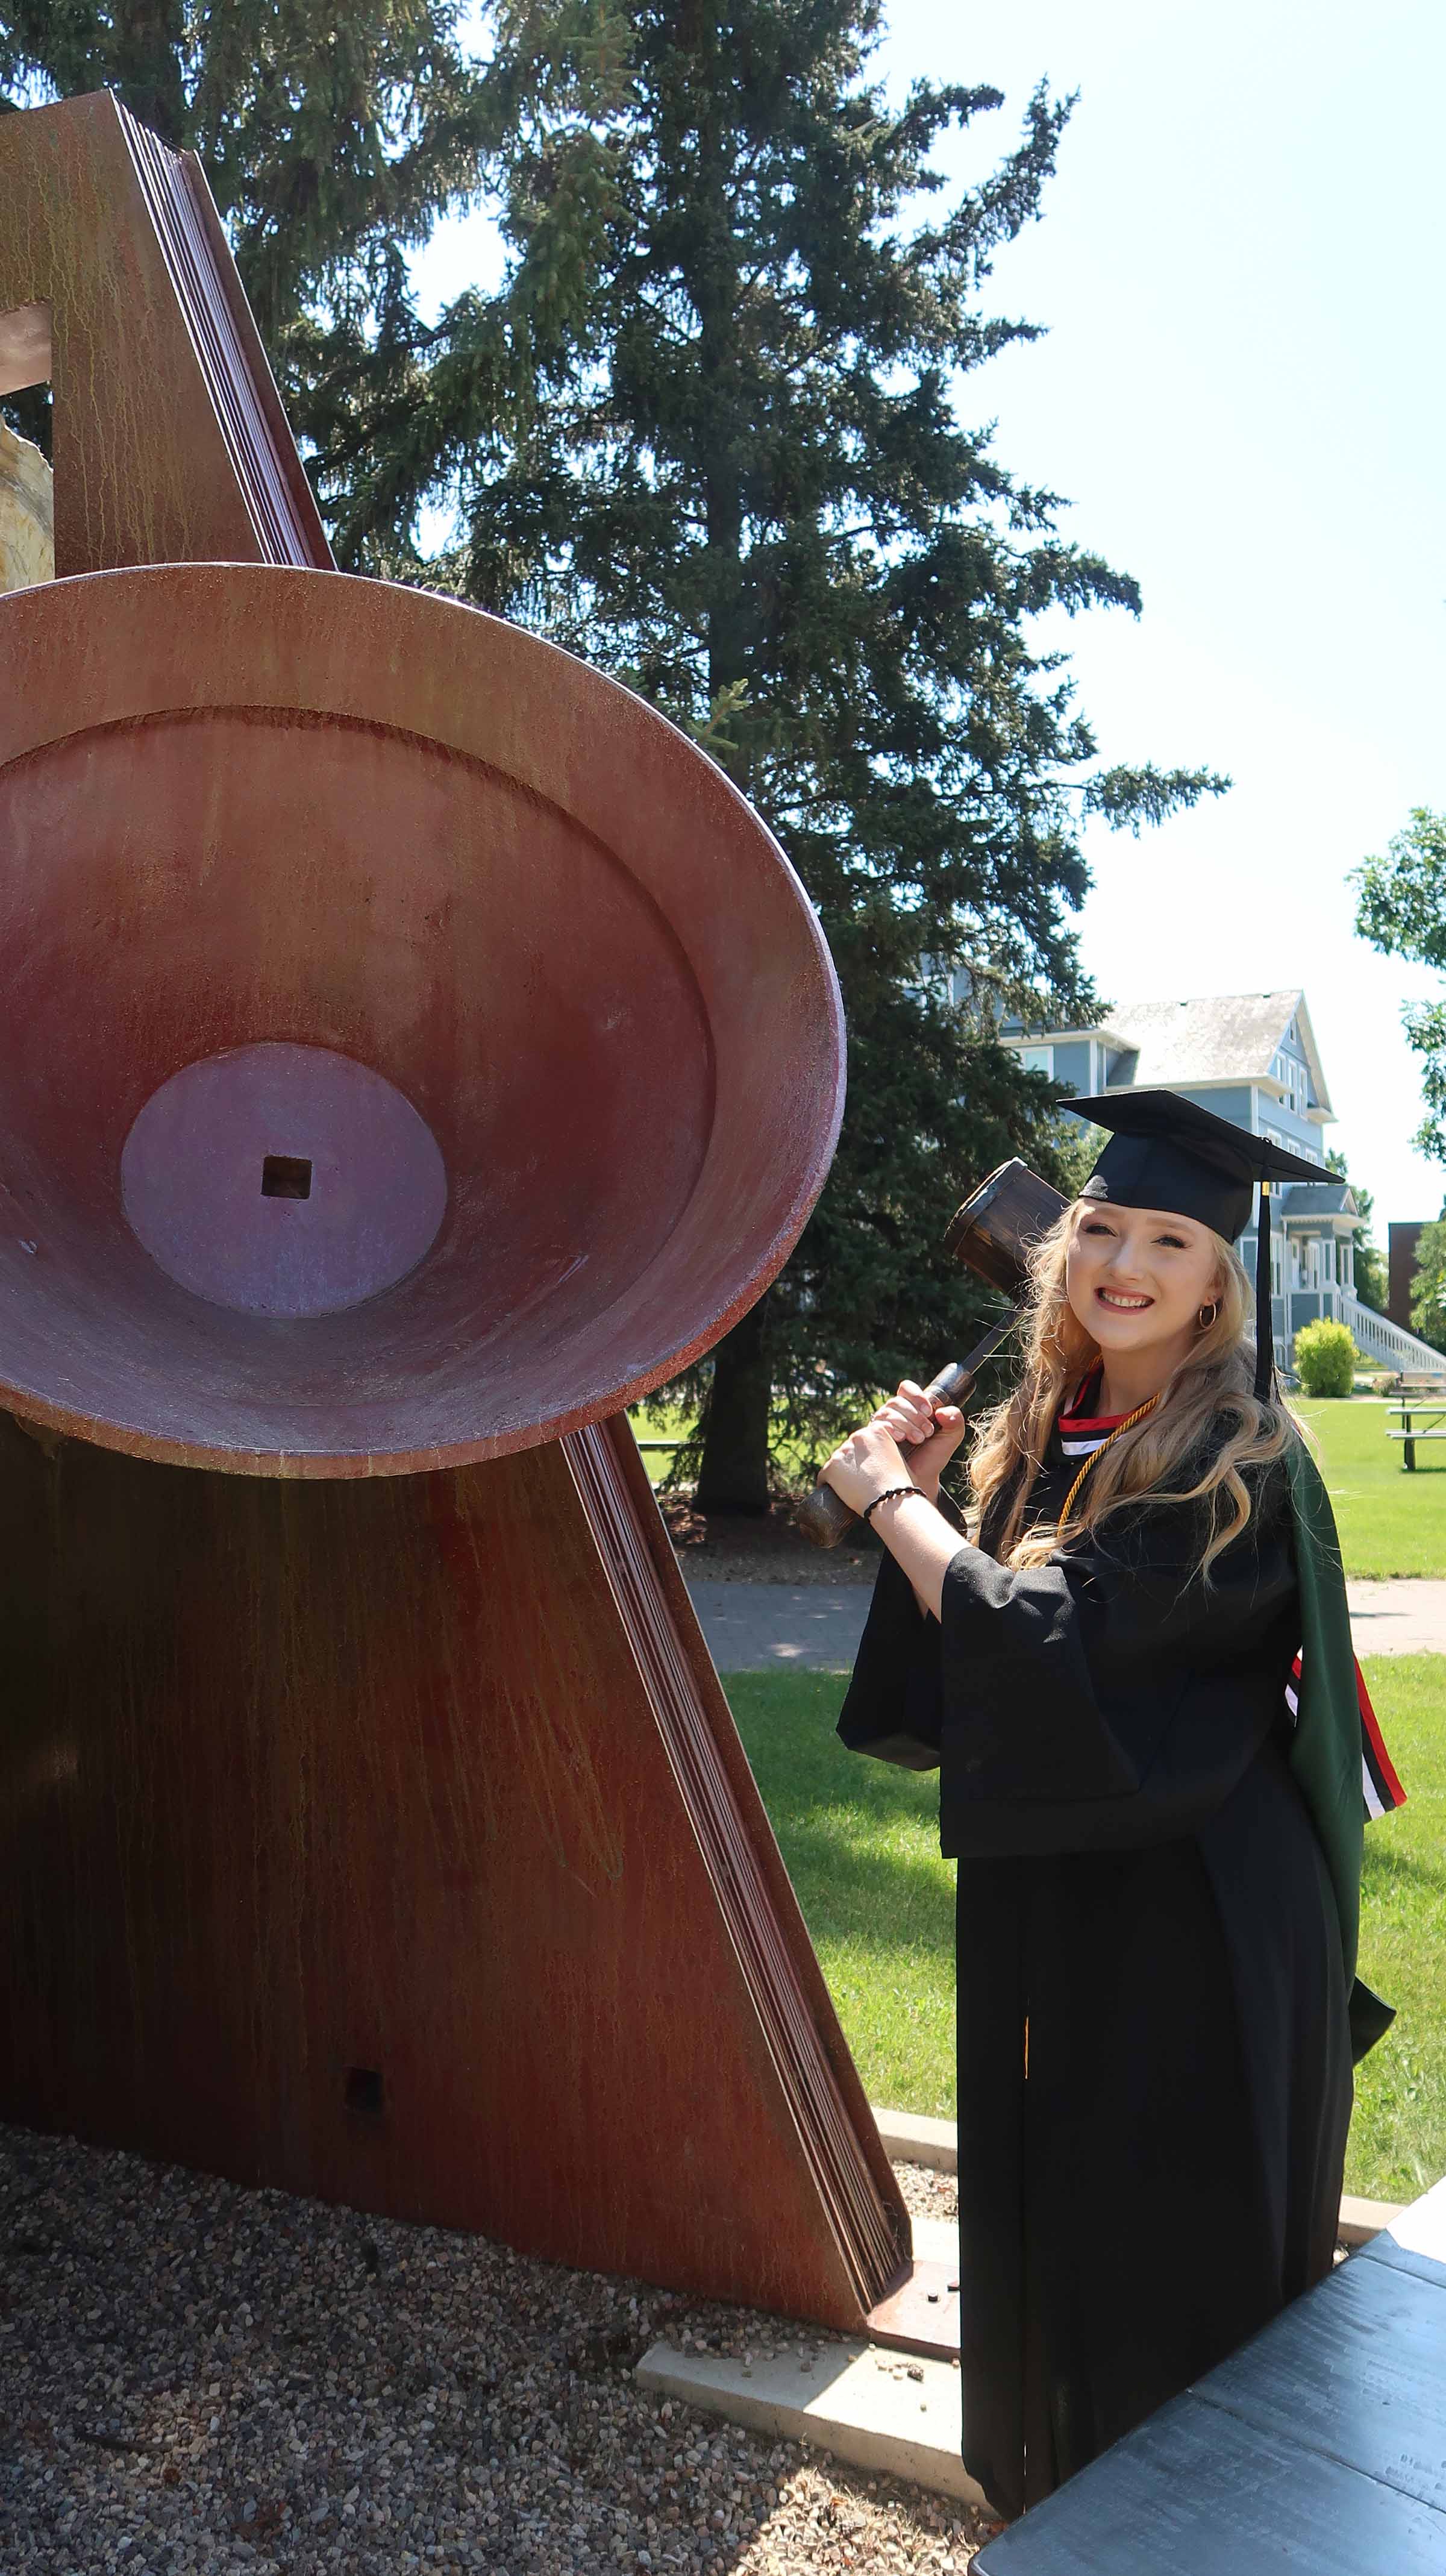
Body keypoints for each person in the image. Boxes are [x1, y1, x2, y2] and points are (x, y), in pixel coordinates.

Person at [824, 1093, 1399, 2521]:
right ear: (1059, 1249)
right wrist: (948, 1490)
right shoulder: (1053, 1432)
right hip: (1072, 1899)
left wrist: (898, 1504)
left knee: (1168, 2241)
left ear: (1219, 1280)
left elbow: (1045, 1642)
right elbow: (961, 1677)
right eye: (1099, 1226)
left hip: (1195, 1924)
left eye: (1168, 1237)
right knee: (1070, 2215)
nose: (1122, 1259)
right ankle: (1070, 2509)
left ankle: (1197, 2533)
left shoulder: (1234, 1459)